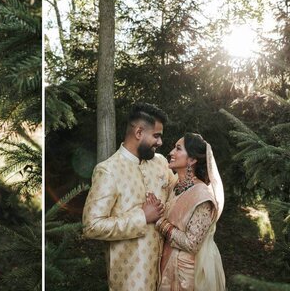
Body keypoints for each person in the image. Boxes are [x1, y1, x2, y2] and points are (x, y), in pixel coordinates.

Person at [82, 102, 177, 291]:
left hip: (168, 272)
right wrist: (142, 217)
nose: (160, 143)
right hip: (131, 278)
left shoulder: (161, 163)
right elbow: (91, 226)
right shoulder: (108, 170)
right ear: (139, 133)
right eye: (156, 136)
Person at [157, 133, 225, 290]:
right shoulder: (175, 185)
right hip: (166, 263)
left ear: (192, 160)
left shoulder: (202, 196)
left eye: (178, 149)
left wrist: (160, 222)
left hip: (185, 275)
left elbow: (192, 244)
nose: (171, 153)